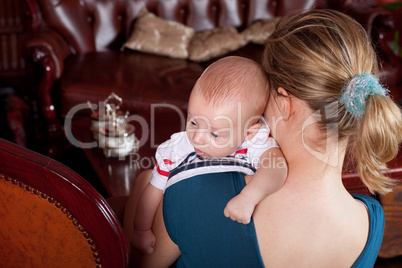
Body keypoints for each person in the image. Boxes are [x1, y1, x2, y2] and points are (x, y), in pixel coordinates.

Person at [124, 9, 402, 267]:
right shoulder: (371, 222)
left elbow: (132, 261)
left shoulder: (192, 190)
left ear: (285, 103)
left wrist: (143, 183)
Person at [132, 56, 287, 254]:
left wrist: (249, 197)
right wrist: (141, 230)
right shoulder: (177, 149)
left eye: (214, 133)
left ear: (249, 131)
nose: (197, 138)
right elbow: (152, 193)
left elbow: (276, 168)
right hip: (183, 231)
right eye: (193, 122)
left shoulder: (252, 142)